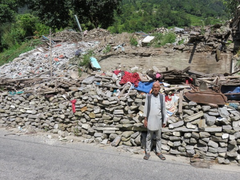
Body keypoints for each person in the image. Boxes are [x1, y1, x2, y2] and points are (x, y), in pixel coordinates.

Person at [143, 81, 167, 160]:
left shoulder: (161, 97)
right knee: (149, 137)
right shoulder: (149, 96)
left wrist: (164, 121)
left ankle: (159, 151)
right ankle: (147, 152)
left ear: (159, 89)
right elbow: (146, 108)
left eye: (157, 87)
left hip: (158, 120)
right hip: (150, 119)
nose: (156, 89)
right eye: (154, 87)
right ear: (152, 88)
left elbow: (164, 109)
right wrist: (145, 119)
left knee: (158, 137)